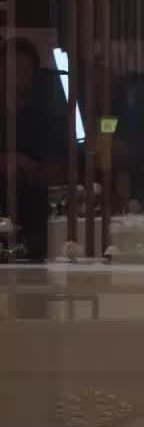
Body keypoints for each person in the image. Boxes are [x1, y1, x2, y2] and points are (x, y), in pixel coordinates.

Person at [0, 38, 65, 263]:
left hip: (34, 222)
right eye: (13, 68)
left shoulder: (45, 118)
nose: (19, 75)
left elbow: (59, 173)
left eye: (25, 69)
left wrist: (25, 165)